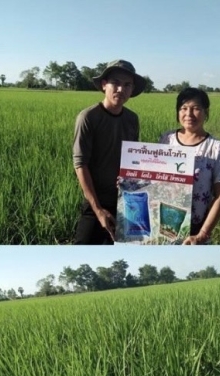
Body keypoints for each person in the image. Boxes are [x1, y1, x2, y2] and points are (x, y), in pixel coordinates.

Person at [72, 59, 146, 244]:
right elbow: (80, 164)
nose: (121, 89)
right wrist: (97, 210)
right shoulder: (88, 117)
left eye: (127, 85)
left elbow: (132, 160)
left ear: (132, 89)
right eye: (116, 83)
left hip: (125, 201)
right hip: (96, 201)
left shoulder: (132, 119)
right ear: (104, 85)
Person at [158, 88, 220, 245]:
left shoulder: (217, 148)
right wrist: (130, 181)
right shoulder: (166, 139)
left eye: (196, 108)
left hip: (196, 230)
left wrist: (202, 234)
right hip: (164, 224)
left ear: (206, 112)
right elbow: (154, 179)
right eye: (183, 108)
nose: (189, 114)